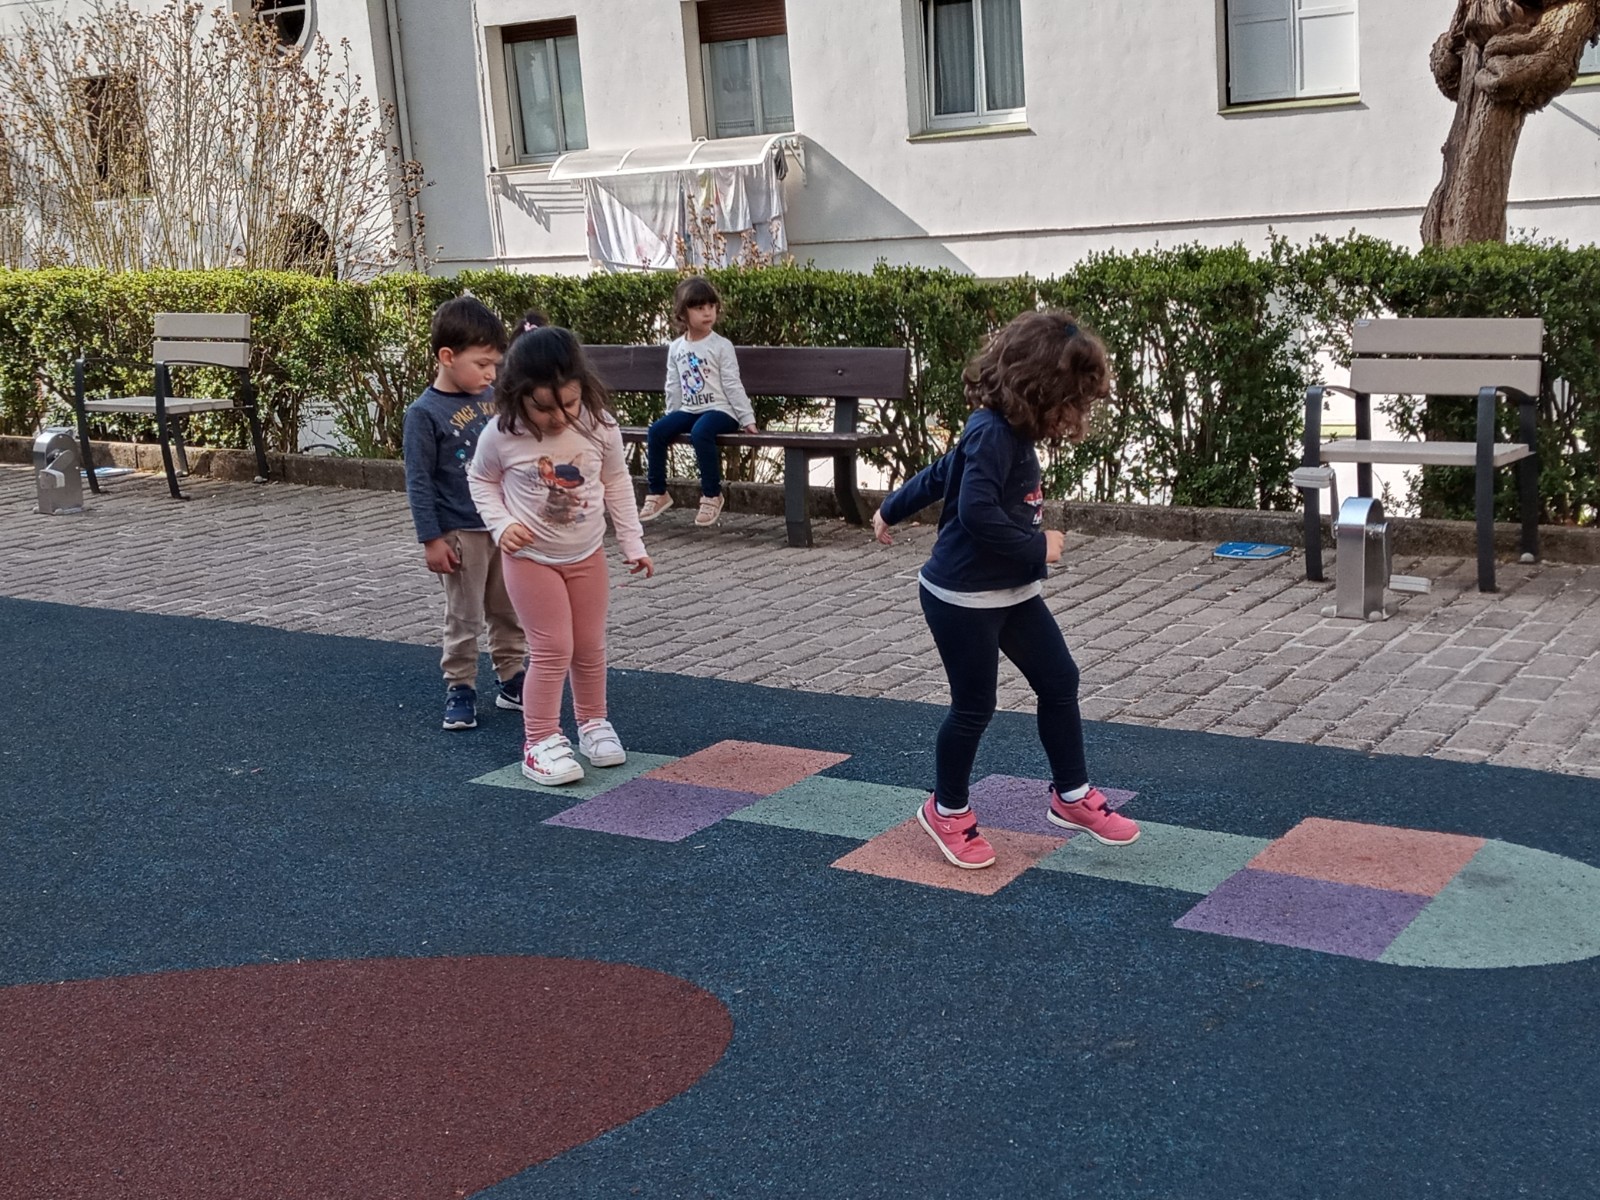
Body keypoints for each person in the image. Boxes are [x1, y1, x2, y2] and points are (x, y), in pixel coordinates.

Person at [872, 311, 1139, 869]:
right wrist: (1038, 547)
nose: (1075, 417)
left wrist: (890, 508)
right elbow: (975, 514)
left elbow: (942, 472)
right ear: (1040, 389)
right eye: (1071, 403)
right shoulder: (992, 432)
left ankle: (1071, 796)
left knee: (1059, 679)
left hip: (1011, 594)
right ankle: (946, 809)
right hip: (961, 599)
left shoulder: (1007, 430)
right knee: (974, 707)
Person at [467, 325, 654, 786]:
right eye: (543, 408)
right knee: (553, 649)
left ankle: (593, 723)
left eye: (569, 404)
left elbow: (616, 481)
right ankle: (540, 742)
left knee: (589, 645)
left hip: (587, 554)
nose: (558, 417)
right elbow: (481, 479)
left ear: (582, 389)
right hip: (531, 558)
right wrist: (501, 524)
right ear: (518, 395)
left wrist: (632, 542)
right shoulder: (502, 434)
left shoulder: (599, 426)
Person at [403, 294, 525, 732]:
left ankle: (512, 677)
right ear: (447, 357)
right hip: (459, 532)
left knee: (508, 608)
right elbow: (418, 481)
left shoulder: (496, 399)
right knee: (464, 614)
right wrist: (431, 539)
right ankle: (460, 685)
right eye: (482, 364)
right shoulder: (423, 414)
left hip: (503, 525)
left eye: (496, 365)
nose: (491, 374)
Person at [638, 276, 757, 527]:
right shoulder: (676, 348)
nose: (707, 313)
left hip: (721, 411)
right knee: (657, 431)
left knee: (701, 432)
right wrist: (672, 416)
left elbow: (733, 384)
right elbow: (673, 384)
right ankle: (658, 492)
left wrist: (747, 418)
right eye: (700, 308)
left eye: (711, 307)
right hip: (690, 410)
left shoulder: (721, 345)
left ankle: (712, 495)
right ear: (683, 313)